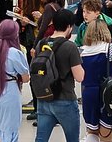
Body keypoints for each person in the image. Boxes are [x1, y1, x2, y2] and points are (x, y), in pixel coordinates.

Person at [33, 8, 87, 142]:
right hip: (65, 99)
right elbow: (80, 77)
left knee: (41, 139)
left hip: (44, 98)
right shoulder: (70, 47)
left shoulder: (41, 43)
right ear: (69, 27)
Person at [77, 18, 112, 138]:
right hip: (108, 93)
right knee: (106, 134)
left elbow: (79, 76)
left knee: (92, 131)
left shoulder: (81, 51)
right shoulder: (110, 48)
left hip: (88, 93)